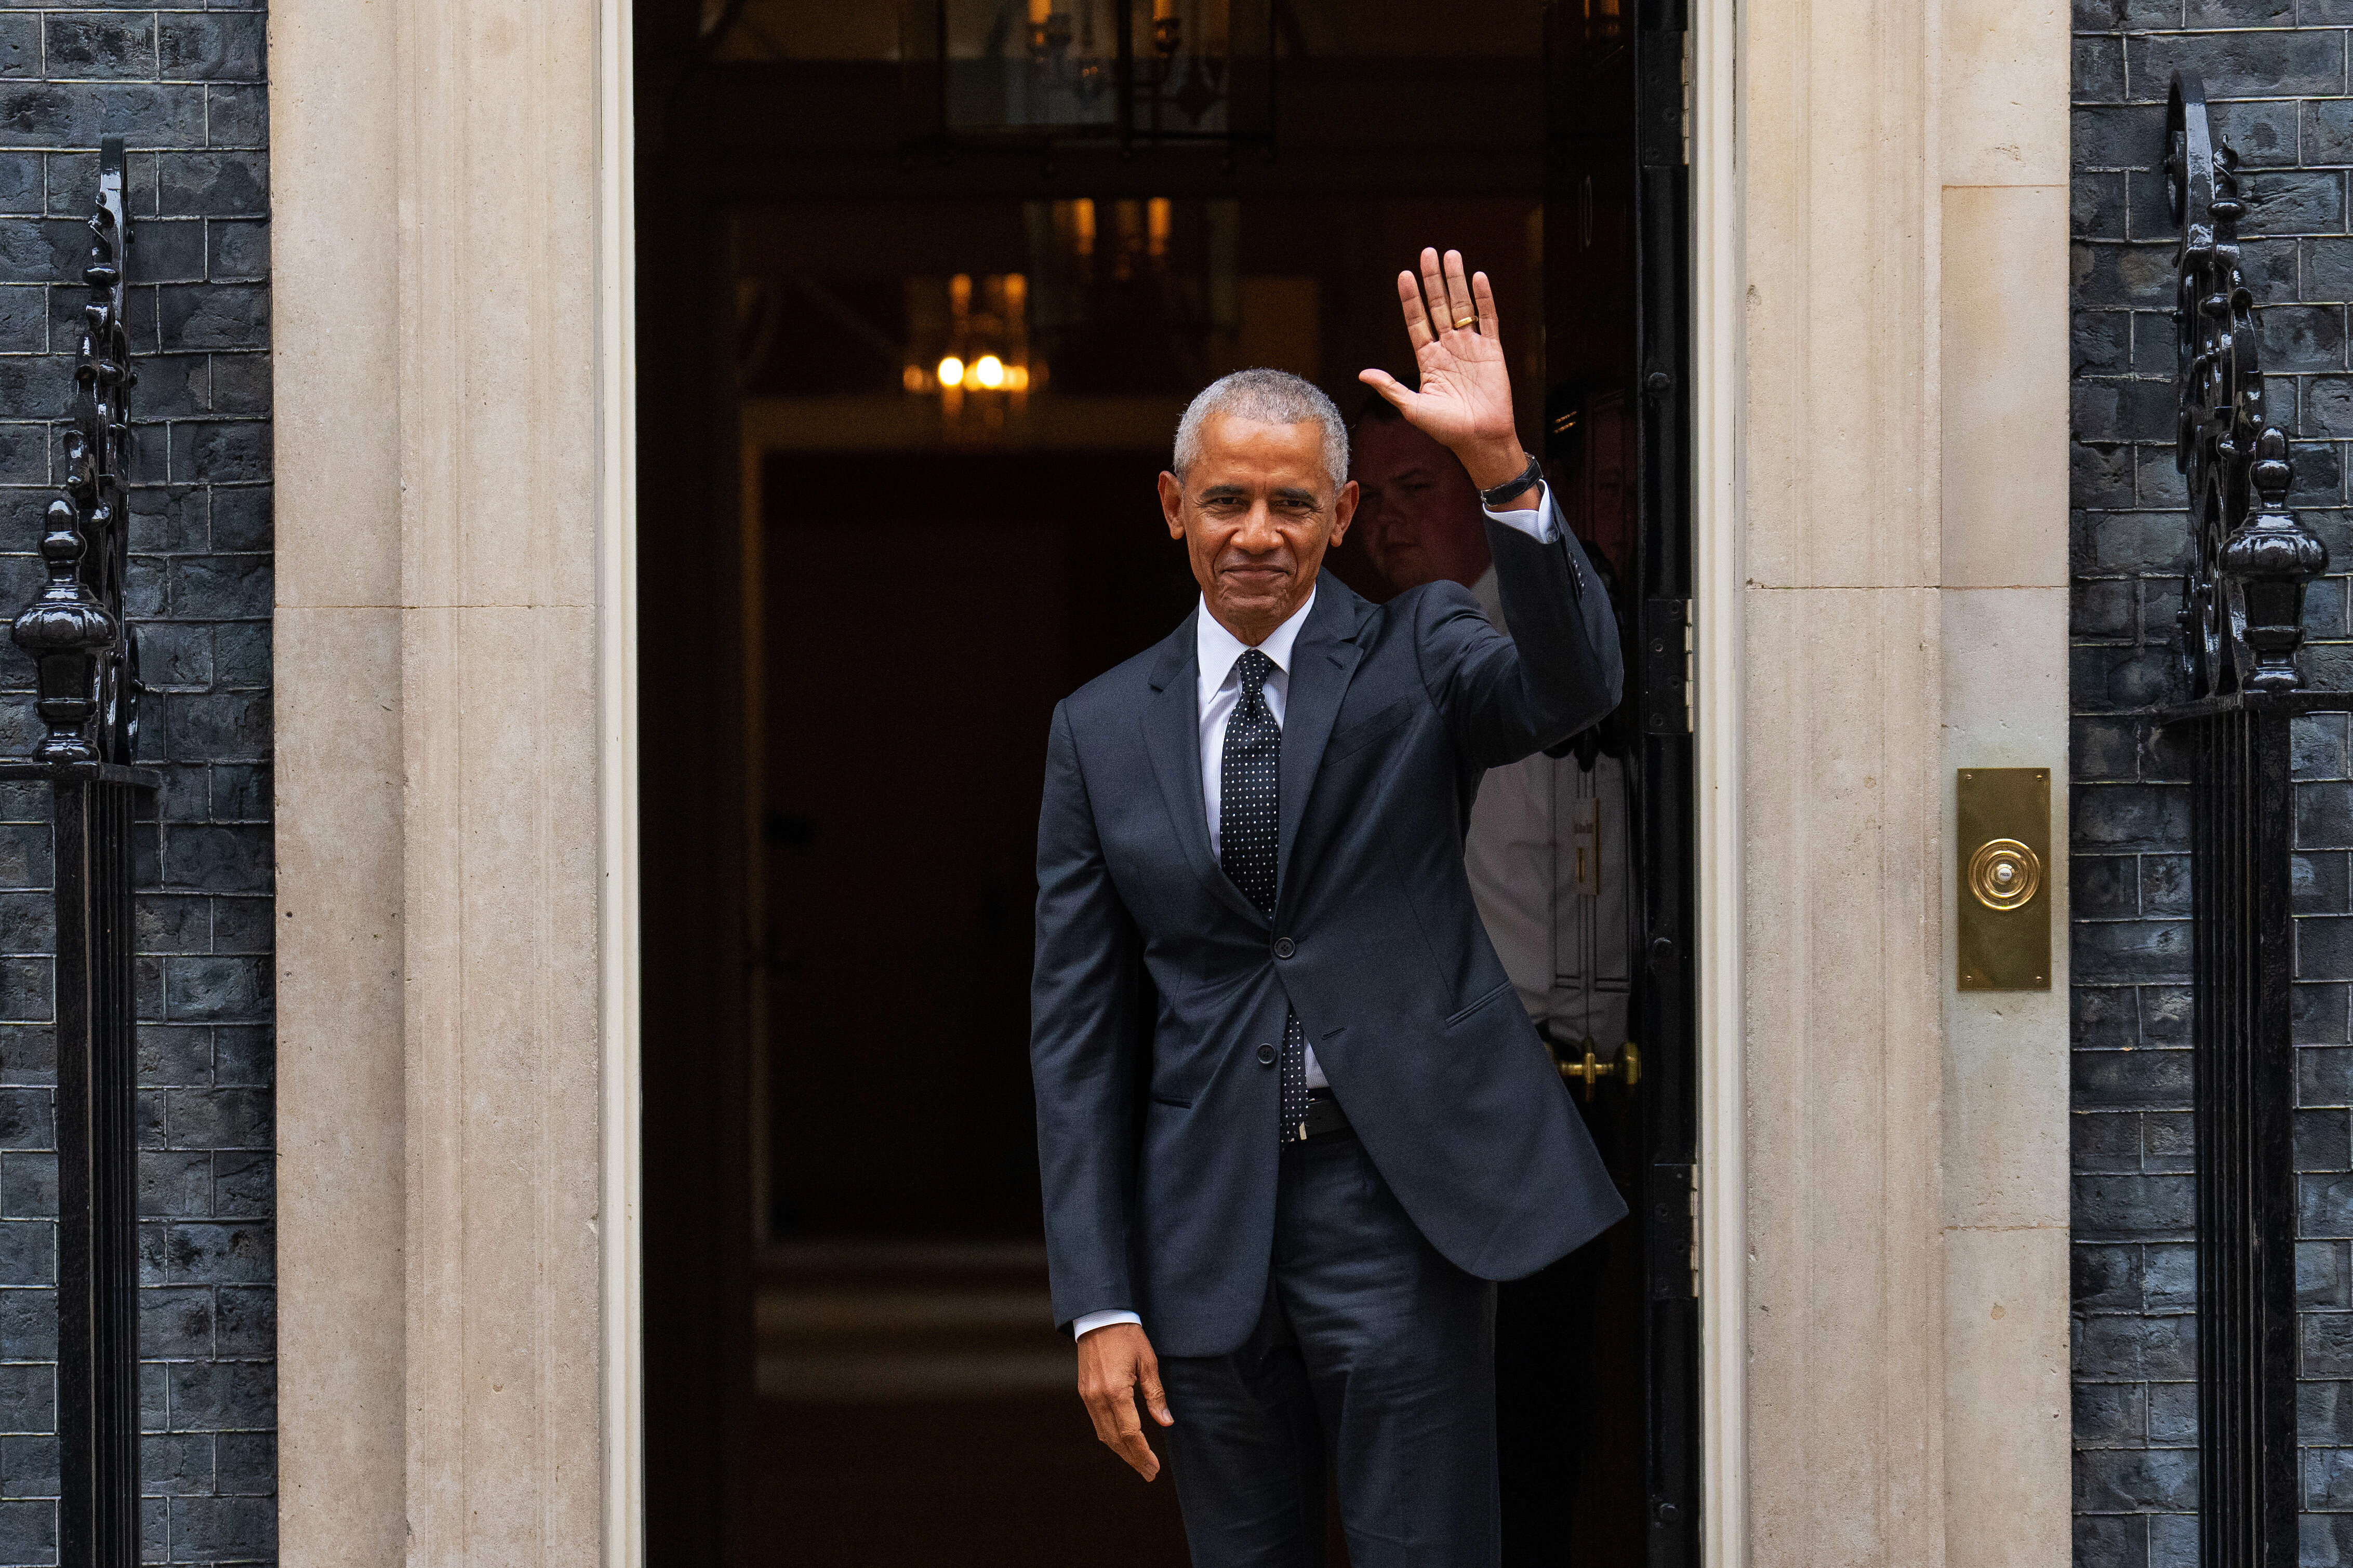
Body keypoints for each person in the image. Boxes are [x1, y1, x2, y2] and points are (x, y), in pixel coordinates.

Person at [1029, 248, 1625, 1567]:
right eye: (1227, 499)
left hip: (1396, 1199)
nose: (1259, 531)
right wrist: (1097, 1301)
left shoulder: (1422, 648)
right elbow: (1075, 1037)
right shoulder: (1095, 730)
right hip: (1201, 1221)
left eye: (1293, 503)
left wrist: (1503, 473)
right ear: (1173, 507)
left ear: (1343, 515)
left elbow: (1574, 688)